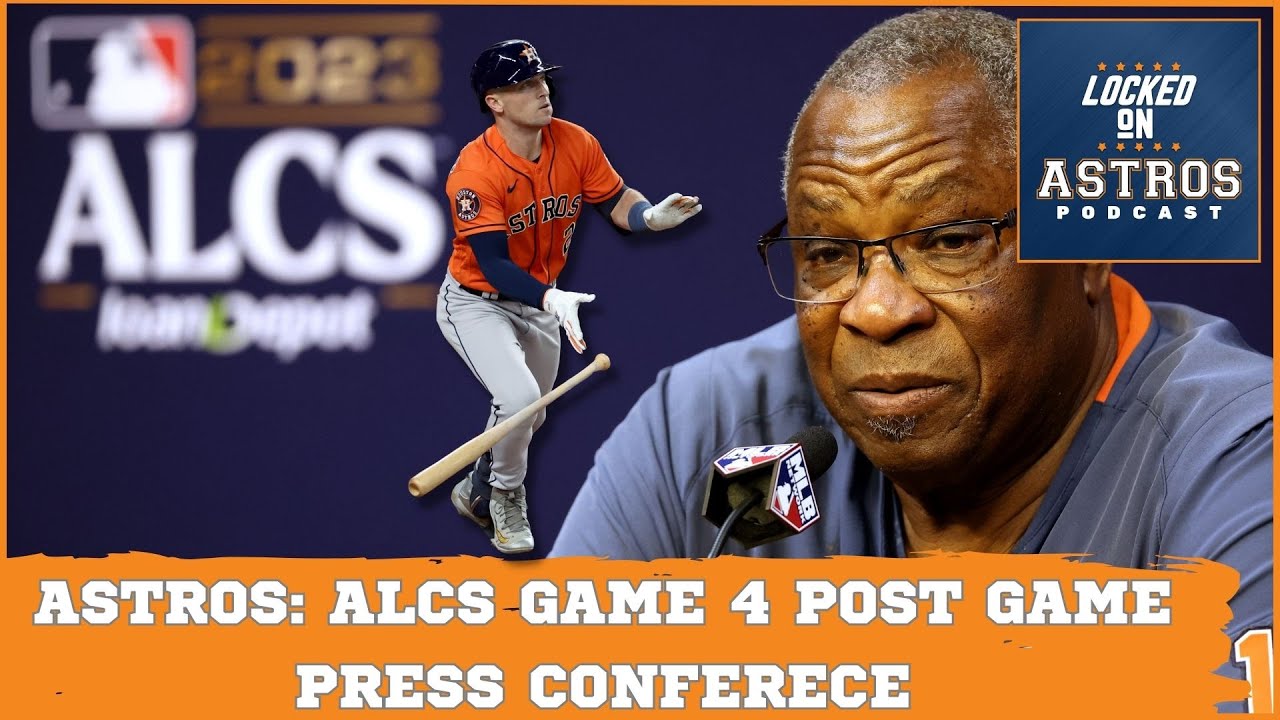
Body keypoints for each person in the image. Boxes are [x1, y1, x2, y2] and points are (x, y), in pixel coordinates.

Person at [551, 8, 1271, 702]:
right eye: (828, 254)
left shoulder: (1241, 453)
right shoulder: (707, 426)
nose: (875, 310)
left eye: (951, 241)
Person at [438, 39, 702, 554]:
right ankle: (505, 495)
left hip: (541, 301)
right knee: (520, 402)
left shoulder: (574, 141)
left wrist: (648, 217)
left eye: (541, 79)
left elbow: (615, 200)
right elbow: (492, 264)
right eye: (524, 84)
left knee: (531, 415)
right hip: (476, 300)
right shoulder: (474, 171)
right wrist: (548, 298)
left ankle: (476, 488)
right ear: (495, 102)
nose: (542, 90)